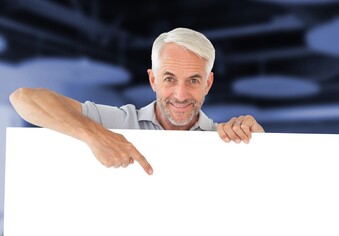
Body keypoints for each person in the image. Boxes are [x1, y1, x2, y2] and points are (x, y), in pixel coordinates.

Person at [9, 27, 265, 175]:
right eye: (169, 79)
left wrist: (263, 147)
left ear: (208, 84)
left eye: (194, 81)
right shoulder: (118, 122)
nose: (180, 94)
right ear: (153, 80)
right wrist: (96, 137)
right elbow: (24, 99)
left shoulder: (224, 140)